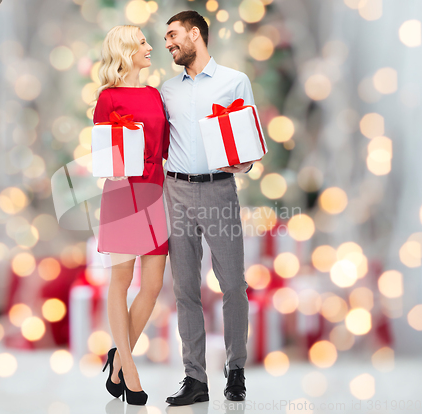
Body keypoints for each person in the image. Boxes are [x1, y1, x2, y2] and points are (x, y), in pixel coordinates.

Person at [161, 11, 260, 405]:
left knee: (233, 283)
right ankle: (194, 378)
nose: (168, 43)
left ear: (196, 34)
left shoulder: (235, 81)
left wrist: (244, 163)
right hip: (176, 192)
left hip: (220, 191)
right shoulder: (166, 89)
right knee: (185, 288)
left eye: (173, 35)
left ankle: (235, 371)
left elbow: (247, 141)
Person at [93, 25, 170, 406]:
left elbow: (166, 149)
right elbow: (104, 155)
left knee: (153, 284)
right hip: (123, 195)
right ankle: (130, 368)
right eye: (142, 42)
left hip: (156, 195)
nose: (150, 46)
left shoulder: (156, 95)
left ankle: (117, 360)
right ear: (125, 49)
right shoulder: (107, 98)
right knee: (121, 282)